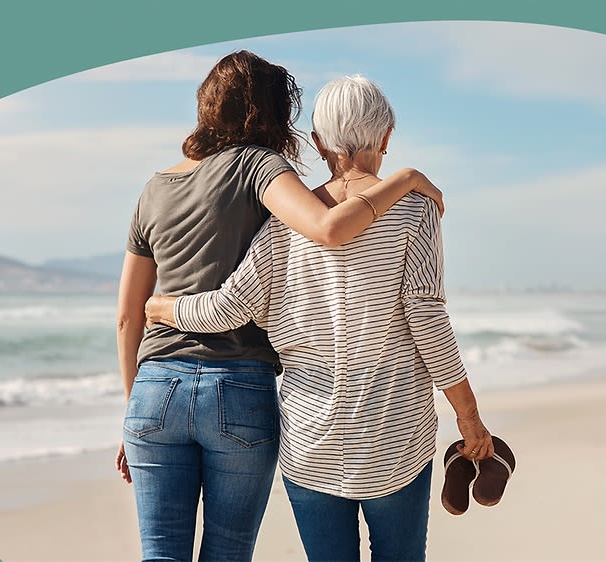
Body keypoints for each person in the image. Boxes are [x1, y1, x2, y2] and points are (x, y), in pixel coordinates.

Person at [144, 75, 493, 562]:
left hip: (310, 442)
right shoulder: (415, 209)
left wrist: (162, 307)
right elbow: (427, 322)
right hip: (395, 437)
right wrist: (469, 417)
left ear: (318, 143)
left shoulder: (286, 221)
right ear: (386, 137)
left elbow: (228, 307)